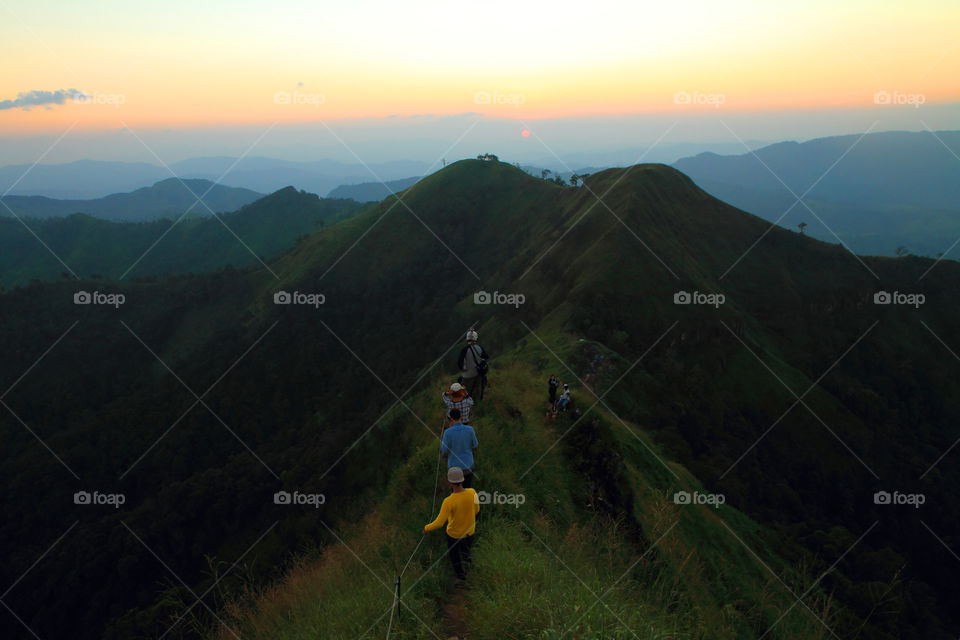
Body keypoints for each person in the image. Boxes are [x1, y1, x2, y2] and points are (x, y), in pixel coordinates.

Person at [423, 467, 479, 581]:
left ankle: (461, 579)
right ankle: (471, 577)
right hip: (469, 534)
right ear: (462, 480)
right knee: (466, 555)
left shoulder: (448, 501)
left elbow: (439, 523)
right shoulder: (472, 492)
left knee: (455, 558)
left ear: (449, 483)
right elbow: (477, 509)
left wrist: (426, 528)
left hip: (454, 536)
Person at [441, 408, 478, 488]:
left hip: (454, 469)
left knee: (455, 492)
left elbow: (444, 450)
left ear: (450, 419)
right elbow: (475, 445)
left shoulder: (447, 433)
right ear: (461, 417)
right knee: (467, 489)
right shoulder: (470, 430)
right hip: (468, 466)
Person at [457, 330, 489, 401]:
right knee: (477, 389)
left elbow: (459, 363)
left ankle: (464, 403)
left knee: (464, 390)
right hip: (478, 373)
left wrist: (463, 368)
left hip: (467, 375)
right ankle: (476, 402)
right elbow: (486, 357)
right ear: (476, 338)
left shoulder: (464, 349)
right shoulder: (479, 348)